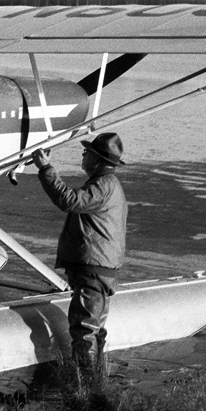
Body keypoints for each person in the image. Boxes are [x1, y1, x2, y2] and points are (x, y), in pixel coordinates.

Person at [31, 132, 128, 379]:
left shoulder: (103, 185)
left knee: (84, 329)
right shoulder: (107, 185)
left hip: (93, 270)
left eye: (86, 153)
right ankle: (96, 382)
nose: (83, 156)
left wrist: (45, 168)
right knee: (94, 329)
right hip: (100, 268)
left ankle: (83, 384)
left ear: (96, 160)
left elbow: (69, 200)